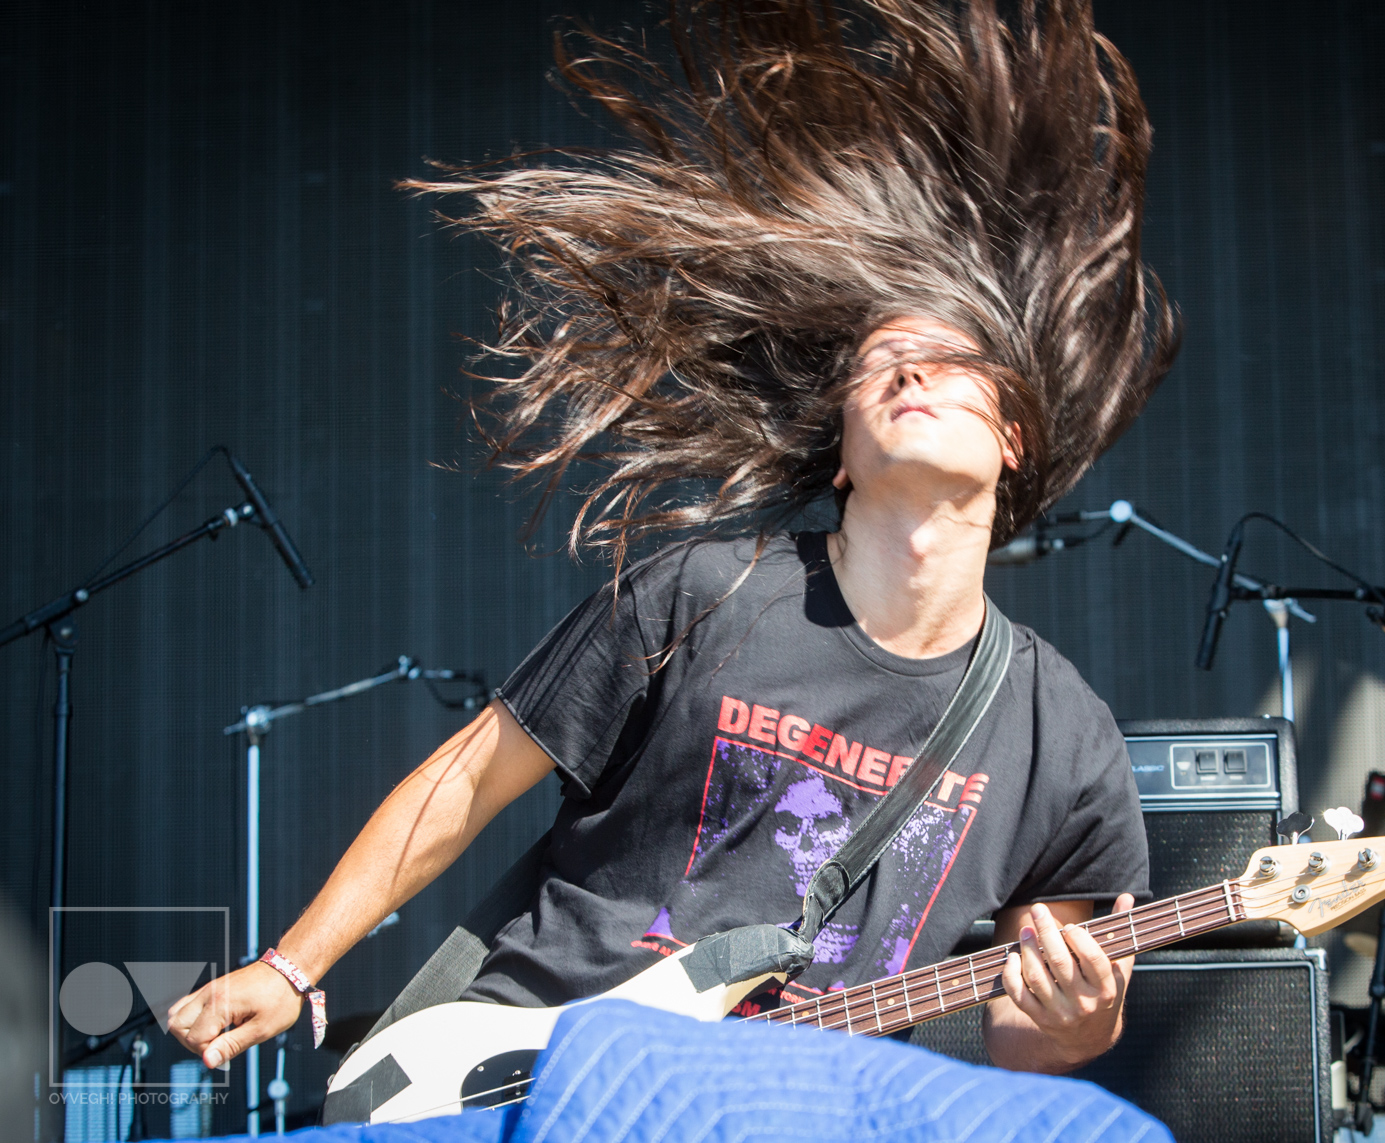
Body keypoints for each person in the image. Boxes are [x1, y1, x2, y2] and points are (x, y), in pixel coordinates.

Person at [168, 0, 1177, 1077]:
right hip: (547, 1062)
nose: (911, 370)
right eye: (880, 362)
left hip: (800, 1098)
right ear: (840, 455)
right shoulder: (703, 593)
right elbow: (462, 782)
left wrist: (1078, 1021)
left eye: (951, 358)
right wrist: (290, 966)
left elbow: (1026, 1033)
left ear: (1016, 440)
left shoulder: (1060, 736)